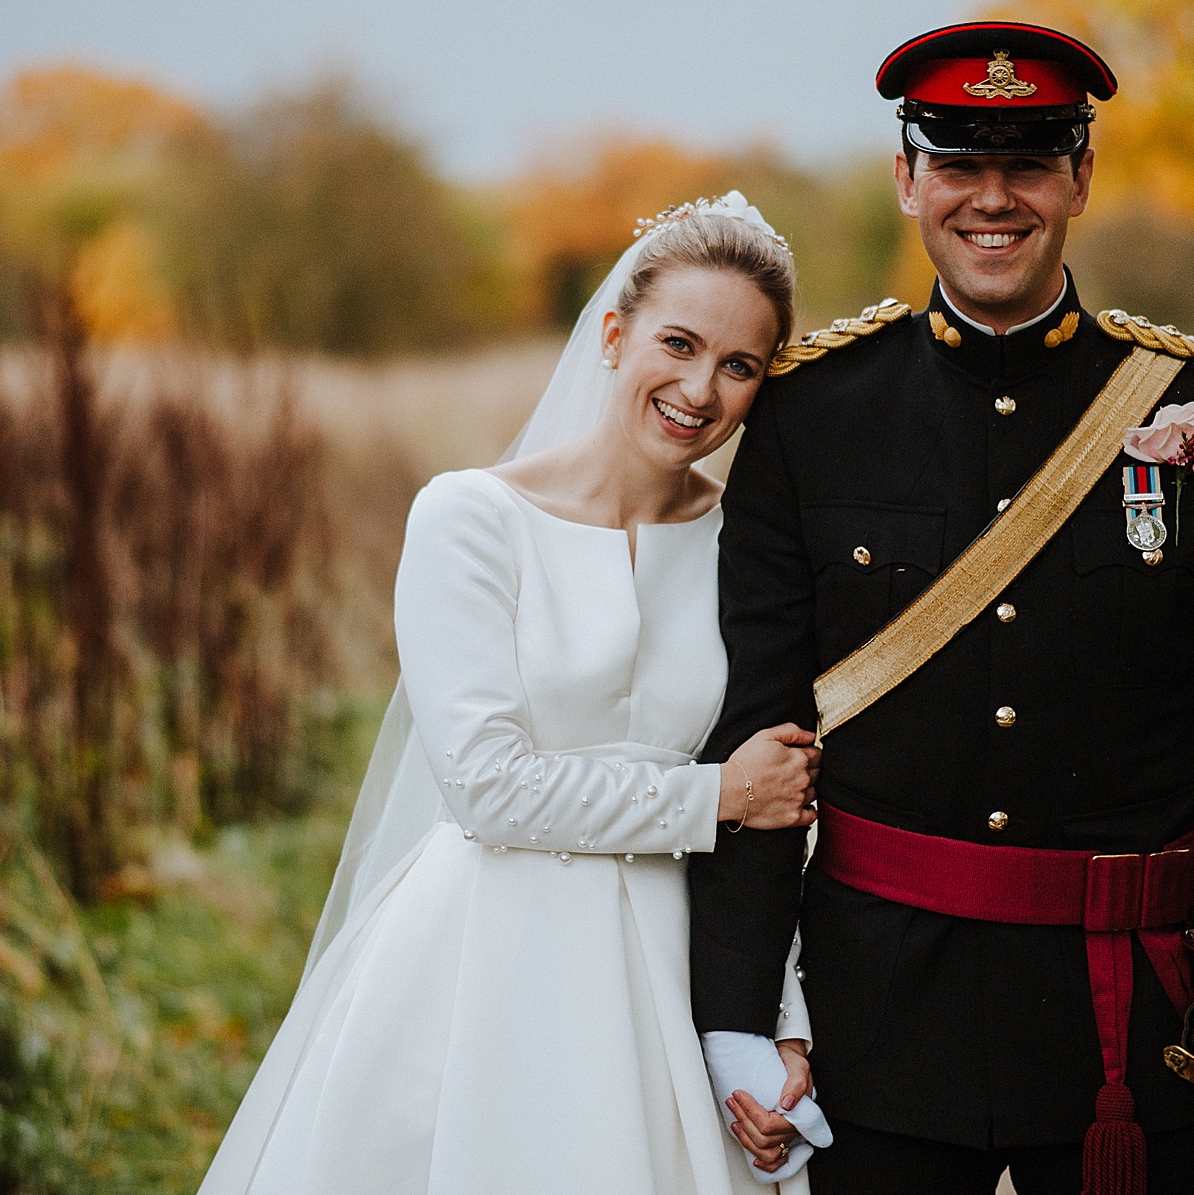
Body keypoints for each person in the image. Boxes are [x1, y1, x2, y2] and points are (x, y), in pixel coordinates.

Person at [687, 23, 1194, 1195]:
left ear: (1081, 178)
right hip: (875, 1024)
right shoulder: (811, 414)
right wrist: (739, 1010)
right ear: (908, 180)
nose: (992, 198)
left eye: (1030, 162)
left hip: (1135, 1025)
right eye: (958, 162)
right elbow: (762, 731)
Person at [197, 194, 832, 1195]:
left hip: (670, 970)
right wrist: (712, 798)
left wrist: (775, 1021)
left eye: (739, 365)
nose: (700, 388)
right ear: (614, 335)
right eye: (678, 342)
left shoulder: (746, 541)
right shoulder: (469, 519)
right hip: (484, 956)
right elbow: (489, 789)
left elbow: (780, 811)